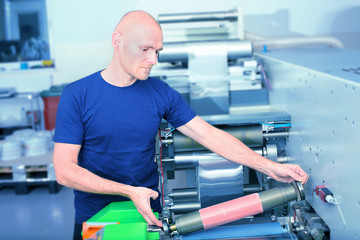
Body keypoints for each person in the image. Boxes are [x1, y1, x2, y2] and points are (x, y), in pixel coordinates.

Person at [53, 10, 309, 240]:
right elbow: (64, 170)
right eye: (145, 50)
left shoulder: (160, 93)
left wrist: (270, 167)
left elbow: (209, 136)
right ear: (117, 41)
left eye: (157, 51)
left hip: (149, 218)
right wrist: (129, 191)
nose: (153, 59)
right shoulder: (77, 95)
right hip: (98, 220)